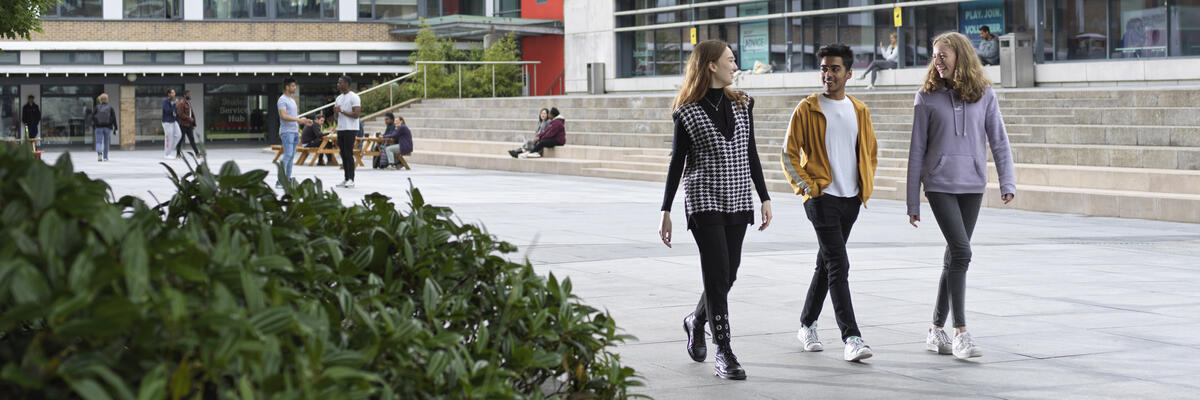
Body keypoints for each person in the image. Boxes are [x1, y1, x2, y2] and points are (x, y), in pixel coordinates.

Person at [659, 40, 772, 381]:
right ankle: (724, 350)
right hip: (704, 199)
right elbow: (677, 163)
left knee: (728, 273)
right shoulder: (687, 112)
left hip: (738, 197)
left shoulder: (743, 104)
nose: (735, 65)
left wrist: (764, 197)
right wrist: (665, 210)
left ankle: (696, 321)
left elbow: (750, 152)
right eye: (730, 60)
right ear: (711, 65)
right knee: (716, 270)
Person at [907, 32, 1015, 360]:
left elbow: (999, 140)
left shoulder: (984, 95)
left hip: (973, 185)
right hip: (939, 184)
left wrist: (1007, 181)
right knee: (962, 252)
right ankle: (961, 332)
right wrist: (913, 200)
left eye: (944, 56)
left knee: (954, 257)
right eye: (935, 55)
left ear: (961, 57)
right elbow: (916, 151)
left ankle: (935, 329)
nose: (937, 62)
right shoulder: (926, 97)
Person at [781, 43, 879, 363]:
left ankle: (806, 323)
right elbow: (788, 153)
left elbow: (870, 152)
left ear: (849, 74)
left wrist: (865, 184)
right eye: (824, 68)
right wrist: (807, 187)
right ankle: (851, 336)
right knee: (839, 263)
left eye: (835, 69)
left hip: (850, 199)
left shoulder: (859, 110)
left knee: (826, 264)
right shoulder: (808, 108)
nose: (828, 74)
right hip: (821, 198)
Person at [277, 77, 312, 188]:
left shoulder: (292, 100)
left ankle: (286, 180)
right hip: (287, 132)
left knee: (291, 157)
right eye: (292, 86)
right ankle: (280, 181)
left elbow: (293, 116)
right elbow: (284, 116)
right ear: (287, 87)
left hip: (294, 131)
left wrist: (303, 121)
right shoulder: (282, 100)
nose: (294, 87)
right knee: (287, 155)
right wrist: (298, 120)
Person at [333, 75, 361, 188]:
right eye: (338, 82)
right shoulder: (338, 98)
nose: (338, 84)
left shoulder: (354, 97)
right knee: (343, 153)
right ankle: (345, 178)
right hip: (341, 128)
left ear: (346, 84)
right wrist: (335, 112)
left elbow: (356, 115)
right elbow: (336, 117)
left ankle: (351, 179)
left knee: (348, 153)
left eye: (340, 82)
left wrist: (342, 110)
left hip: (351, 129)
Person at [175, 89, 203, 160]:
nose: (190, 95)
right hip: (183, 125)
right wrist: (188, 118)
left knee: (192, 139)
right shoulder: (181, 103)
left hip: (189, 125)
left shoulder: (188, 103)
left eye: (190, 94)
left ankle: (197, 153)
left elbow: (191, 113)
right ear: (185, 95)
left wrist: (192, 123)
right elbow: (180, 114)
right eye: (188, 94)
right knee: (181, 139)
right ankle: (178, 154)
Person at [92, 93, 118, 162]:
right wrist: (116, 128)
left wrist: (95, 123)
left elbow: (92, 117)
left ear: (100, 99)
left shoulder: (96, 107)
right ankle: (105, 157)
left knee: (98, 142)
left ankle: (100, 153)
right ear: (107, 99)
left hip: (98, 127)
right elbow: (114, 118)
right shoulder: (110, 108)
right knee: (106, 142)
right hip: (107, 127)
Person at [161, 89, 182, 160]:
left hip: (173, 121)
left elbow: (174, 111)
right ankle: (167, 154)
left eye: (174, 92)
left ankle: (170, 150)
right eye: (172, 93)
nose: (174, 94)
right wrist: (174, 105)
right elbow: (167, 111)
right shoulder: (165, 101)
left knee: (179, 135)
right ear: (169, 94)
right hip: (167, 122)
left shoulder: (173, 101)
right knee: (168, 138)